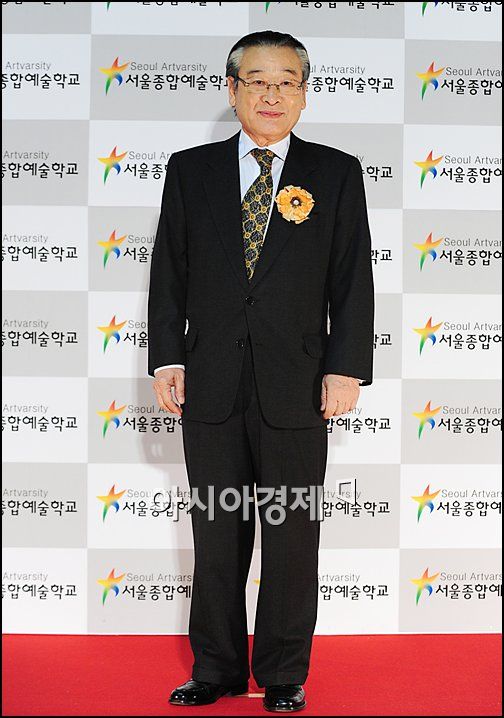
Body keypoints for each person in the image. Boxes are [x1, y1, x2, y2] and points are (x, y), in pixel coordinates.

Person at [147, 30, 374, 713]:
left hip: (298, 386)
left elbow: (351, 280)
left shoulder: (336, 172)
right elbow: (169, 272)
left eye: (285, 82)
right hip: (210, 383)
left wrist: (346, 369)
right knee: (217, 533)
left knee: (291, 533)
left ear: (303, 94)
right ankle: (215, 668)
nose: (271, 95)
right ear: (233, 89)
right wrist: (168, 356)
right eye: (257, 81)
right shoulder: (191, 170)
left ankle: (282, 674)